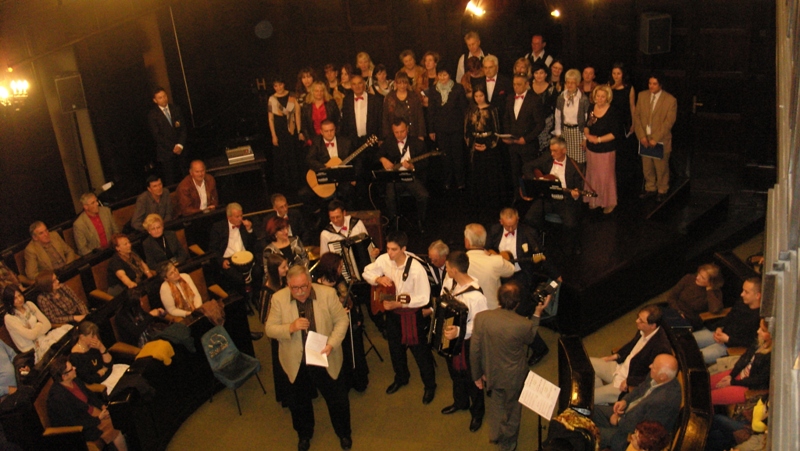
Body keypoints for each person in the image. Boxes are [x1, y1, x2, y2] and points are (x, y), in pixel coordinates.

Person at [265, 265, 352, 451]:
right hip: (296, 360)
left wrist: (332, 344)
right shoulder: (278, 298)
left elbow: (342, 321)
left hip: (325, 355)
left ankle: (344, 432)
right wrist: (290, 327)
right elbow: (269, 329)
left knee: (337, 400)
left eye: (304, 286)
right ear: (288, 285)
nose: (300, 291)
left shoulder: (327, 294)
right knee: (299, 402)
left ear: (310, 282)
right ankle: (304, 434)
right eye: (295, 288)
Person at [470, 281, 551, 451]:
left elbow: (475, 350)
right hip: (515, 377)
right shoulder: (523, 324)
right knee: (513, 409)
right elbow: (530, 338)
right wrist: (537, 313)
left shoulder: (482, 318)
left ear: (499, 298)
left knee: (496, 402)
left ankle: (495, 433)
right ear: (517, 303)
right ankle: (508, 443)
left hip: (491, 372)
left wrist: (477, 375)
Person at [362, 231, 437, 404]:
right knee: (395, 349)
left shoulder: (416, 269)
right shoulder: (384, 259)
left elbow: (423, 298)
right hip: (393, 313)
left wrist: (399, 304)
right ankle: (401, 377)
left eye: (394, 249)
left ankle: (430, 385)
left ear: (403, 249)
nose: (389, 253)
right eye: (388, 248)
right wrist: (378, 278)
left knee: (420, 353)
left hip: (411, 314)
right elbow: (366, 271)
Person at [486, 208, 559, 365]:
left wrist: (555, 274)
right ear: (501, 222)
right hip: (501, 275)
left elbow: (541, 255)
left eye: (513, 225)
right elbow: (487, 248)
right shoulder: (494, 230)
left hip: (520, 277)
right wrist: (496, 256)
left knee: (517, 314)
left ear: (518, 220)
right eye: (507, 226)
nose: (510, 229)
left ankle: (539, 347)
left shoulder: (529, 232)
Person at [439, 251, 488, 432]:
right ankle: (460, 402)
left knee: (472, 377)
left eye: (447, 267)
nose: (446, 270)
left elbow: (481, 326)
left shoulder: (476, 296)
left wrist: (459, 331)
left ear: (454, 270)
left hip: (468, 344)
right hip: (451, 339)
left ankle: (477, 413)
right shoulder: (450, 282)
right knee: (455, 373)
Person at [591, 354, 681, 451]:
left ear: (663, 376)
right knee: (592, 410)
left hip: (629, 435)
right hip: (627, 413)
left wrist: (618, 420)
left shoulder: (664, 402)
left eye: (654, 367)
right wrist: (625, 401)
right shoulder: (656, 376)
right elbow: (639, 389)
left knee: (590, 433)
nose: (650, 366)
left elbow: (644, 430)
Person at [589, 305, 672, 405]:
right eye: (638, 317)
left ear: (652, 326)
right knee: (586, 363)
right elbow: (631, 345)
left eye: (641, 320)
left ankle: (598, 400)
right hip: (619, 367)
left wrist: (630, 381)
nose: (637, 321)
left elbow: (653, 376)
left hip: (624, 382)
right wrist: (616, 356)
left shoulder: (661, 347)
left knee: (588, 397)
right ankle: (601, 402)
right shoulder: (644, 329)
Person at [313, 252, 369, 393]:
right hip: (333, 328)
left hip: (349, 322)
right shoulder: (317, 287)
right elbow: (319, 312)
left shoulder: (339, 278)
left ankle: (358, 380)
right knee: (342, 357)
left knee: (354, 352)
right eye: (340, 266)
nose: (342, 269)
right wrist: (338, 314)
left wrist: (356, 316)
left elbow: (349, 298)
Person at [46, 356, 127, 451]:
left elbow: (90, 395)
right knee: (113, 424)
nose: (75, 368)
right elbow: (73, 422)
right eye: (71, 368)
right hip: (82, 428)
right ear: (64, 376)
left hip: (91, 413)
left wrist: (102, 406)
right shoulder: (57, 398)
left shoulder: (75, 380)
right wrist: (98, 418)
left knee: (116, 414)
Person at [521, 136, 584, 254]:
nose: (552, 153)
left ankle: (569, 249)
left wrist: (575, 194)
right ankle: (537, 246)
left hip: (564, 200)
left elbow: (578, 190)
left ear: (564, 150)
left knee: (570, 224)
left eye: (555, 151)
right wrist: (536, 180)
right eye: (551, 150)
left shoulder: (575, 167)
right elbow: (527, 166)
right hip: (546, 198)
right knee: (529, 219)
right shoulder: (547, 158)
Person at [376, 118, 431, 232]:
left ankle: (421, 220)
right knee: (390, 197)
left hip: (411, 177)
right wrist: (383, 159)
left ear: (407, 129)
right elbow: (377, 155)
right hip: (394, 178)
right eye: (396, 132)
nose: (399, 135)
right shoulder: (389, 142)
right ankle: (393, 223)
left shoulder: (418, 143)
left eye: (402, 131)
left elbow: (426, 163)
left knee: (424, 196)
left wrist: (412, 167)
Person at [693, 277, 762, 364]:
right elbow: (729, 317)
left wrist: (728, 339)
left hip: (731, 345)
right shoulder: (742, 302)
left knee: (695, 357)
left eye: (746, 292)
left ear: (757, 296)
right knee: (688, 341)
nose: (742, 294)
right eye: (743, 290)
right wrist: (719, 327)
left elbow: (753, 342)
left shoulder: (761, 318)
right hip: (721, 333)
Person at [633, 73, 677, 202]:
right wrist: (641, 136)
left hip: (660, 140)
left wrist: (655, 138)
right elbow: (637, 117)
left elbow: (668, 122)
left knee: (661, 167)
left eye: (654, 84)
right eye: (650, 83)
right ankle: (650, 188)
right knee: (647, 167)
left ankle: (662, 189)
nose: (651, 86)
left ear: (660, 85)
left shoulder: (670, 100)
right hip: (645, 139)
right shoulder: (642, 95)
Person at [710, 318, 771, 406]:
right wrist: (731, 375)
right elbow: (744, 358)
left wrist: (732, 382)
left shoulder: (772, 356)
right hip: (739, 375)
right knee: (705, 383)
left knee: (709, 397)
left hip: (748, 387)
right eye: (759, 327)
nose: (758, 331)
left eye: (763, 330)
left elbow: (757, 381)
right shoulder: (760, 341)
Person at [3, 285, 71, 363]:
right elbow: (30, 336)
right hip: (32, 350)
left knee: (68, 328)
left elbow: (47, 325)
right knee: (57, 349)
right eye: (15, 298)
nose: (20, 299)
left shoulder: (29, 305)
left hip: (44, 338)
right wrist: (39, 324)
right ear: (9, 301)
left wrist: (34, 330)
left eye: (20, 295)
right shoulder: (9, 318)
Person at [465, 86, 503, 219]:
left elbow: (497, 130)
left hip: (489, 146)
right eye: (476, 96)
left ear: (485, 96)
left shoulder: (492, 109)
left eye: (481, 96)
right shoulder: (470, 110)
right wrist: (472, 144)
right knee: (476, 175)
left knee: (490, 175)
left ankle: (491, 204)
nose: (479, 99)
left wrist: (488, 145)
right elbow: (466, 130)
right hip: (475, 145)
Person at [428, 67, 468, 190]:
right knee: (445, 156)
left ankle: (460, 181)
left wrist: (465, 128)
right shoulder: (433, 90)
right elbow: (431, 111)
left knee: (458, 155)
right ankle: (447, 180)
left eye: (444, 75)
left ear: (450, 75)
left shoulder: (458, 88)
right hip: (440, 129)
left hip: (456, 128)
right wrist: (431, 129)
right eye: (440, 75)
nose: (442, 78)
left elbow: (464, 109)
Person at [504, 73, 546, 190]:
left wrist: (526, 139)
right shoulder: (510, 98)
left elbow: (540, 124)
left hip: (528, 146)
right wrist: (507, 136)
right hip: (513, 145)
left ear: (527, 84)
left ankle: (530, 195)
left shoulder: (535, 100)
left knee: (529, 173)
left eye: (519, 84)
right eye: (514, 84)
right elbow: (506, 119)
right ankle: (517, 195)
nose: (516, 87)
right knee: (514, 173)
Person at [583, 85, 621, 214]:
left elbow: (615, 133)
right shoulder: (591, 108)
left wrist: (598, 140)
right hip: (591, 149)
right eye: (598, 96)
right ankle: (594, 200)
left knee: (605, 177)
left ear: (608, 97)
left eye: (603, 97)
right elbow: (587, 125)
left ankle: (609, 202)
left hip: (606, 150)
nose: (599, 99)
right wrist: (587, 136)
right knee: (593, 175)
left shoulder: (613, 111)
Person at [208, 203, 257, 298]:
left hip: (245, 256)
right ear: (229, 217)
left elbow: (253, 243)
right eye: (237, 217)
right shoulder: (218, 227)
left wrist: (249, 230)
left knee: (257, 271)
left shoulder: (245, 224)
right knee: (238, 278)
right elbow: (213, 249)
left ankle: (255, 297)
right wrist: (221, 261)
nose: (240, 219)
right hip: (229, 259)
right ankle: (243, 300)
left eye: (241, 215)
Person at [260, 253, 290, 406]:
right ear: (274, 270)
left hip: (288, 329)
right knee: (282, 366)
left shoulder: (283, 282)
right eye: (283, 267)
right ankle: (286, 396)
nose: (287, 269)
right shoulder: (267, 291)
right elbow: (263, 318)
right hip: (278, 334)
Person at [464, 223, 515, 310]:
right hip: (492, 311)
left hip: (467, 310)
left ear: (467, 242)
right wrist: (494, 255)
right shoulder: (496, 261)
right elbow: (511, 270)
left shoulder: (458, 262)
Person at [304, 119, 357, 202]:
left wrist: (353, 176)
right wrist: (325, 168)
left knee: (349, 192)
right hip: (325, 179)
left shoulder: (346, 142)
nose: (329, 133)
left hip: (342, 178)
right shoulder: (316, 142)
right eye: (326, 131)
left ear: (335, 129)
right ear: (321, 132)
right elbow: (309, 159)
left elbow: (355, 161)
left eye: (331, 130)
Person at [69, 321, 128, 392]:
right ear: (82, 337)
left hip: (111, 372)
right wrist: (103, 371)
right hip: (103, 383)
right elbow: (89, 379)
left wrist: (101, 347)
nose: (96, 338)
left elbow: (109, 363)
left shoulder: (95, 345)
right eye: (92, 336)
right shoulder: (75, 357)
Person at [663, 263, 724, 330]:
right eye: (699, 274)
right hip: (675, 309)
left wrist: (709, 290)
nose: (697, 277)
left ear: (711, 282)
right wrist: (678, 312)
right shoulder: (688, 279)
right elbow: (671, 297)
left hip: (690, 320)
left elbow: (715, 310)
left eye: (703, 278)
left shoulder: (715, 292)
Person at [268, 77, 303, 193]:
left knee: (293, 156)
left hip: (291, 130)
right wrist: (273, 135)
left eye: (280, 85)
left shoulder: (292, 95)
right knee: (282, 157)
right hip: (280, 131)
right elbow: (271, 119)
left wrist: (299, 131)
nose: (278, 88)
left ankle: (296, 183)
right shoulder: (272, 99)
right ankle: (285, 186)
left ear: (284, 84)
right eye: (275, 86)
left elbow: (297, 114)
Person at [147, 87, 187, 186]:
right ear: (155, 100)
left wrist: (180, 145)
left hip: (181, 151)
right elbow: (157, 136)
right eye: (160, 98)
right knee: (171, 181)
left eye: (164, 96)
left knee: (185, 177)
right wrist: (173, 147)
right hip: (166, 153)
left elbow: (183, 129)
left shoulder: (176, 109)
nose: (164, 99)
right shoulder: (152, 115)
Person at [553, 69, 590, 169]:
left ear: (577, 83)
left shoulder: (583, 99)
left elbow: (587, 121)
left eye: (572, 83)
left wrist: (585, 138)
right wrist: (558, 134)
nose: (569, 85)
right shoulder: (561, 98)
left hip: (578, 133)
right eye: (568, 82)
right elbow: (557, 116)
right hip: (565, 132)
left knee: (579, 163)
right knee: (566, 162)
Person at [339, 74, 383, 148]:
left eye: (359, 83)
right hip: (353, 142)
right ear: (351, 86)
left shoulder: (375, 100)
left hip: (371, 140)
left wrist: (380, 138)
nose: (357, 86)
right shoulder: (347, 100)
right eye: (354, 84)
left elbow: (380, 120)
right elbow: (345, 122)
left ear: (364, 84)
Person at [382, 72, 426, 141]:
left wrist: (421, 134)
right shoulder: (389, 98)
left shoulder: (414, 97)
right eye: (400, 83)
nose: (402, 86)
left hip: (412, 134)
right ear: (396, 83)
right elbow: (385, 118)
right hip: (394, 135)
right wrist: (386, 136)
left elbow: (420, 117)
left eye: (404, 83)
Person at [301, 81, 341, 146]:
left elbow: (338, 120)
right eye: (316, 91)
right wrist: (308, 139)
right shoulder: (307, 105)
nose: (319, 93)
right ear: (312, 92)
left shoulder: (331, 103)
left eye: (321, 91)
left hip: (330, 137)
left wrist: (335, 136)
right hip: (313, 140)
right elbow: (304, 124)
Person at [531, 63, 557, 154]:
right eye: (536, 73)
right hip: (530, 123)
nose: (539, 75)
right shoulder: (528, 87)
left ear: (546, 74)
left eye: (541, 73)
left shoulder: (552, 90)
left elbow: (555, 109)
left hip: (546, 124)